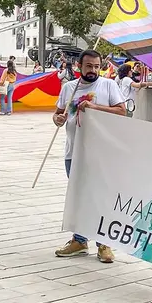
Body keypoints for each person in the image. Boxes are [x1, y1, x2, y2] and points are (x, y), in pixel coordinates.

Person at [53, 49, 126, 262]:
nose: (93, 70)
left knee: (100, 196)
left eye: (96, 66)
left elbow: (122, 111)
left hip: (102, 153)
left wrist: (94, 106)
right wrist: (57, 119)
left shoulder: (108, 85)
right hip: (73, 151)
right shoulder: (68, 88)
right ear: (79, 66)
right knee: (80, 197)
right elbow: (58, 114)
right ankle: (80, 240)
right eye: (89, 66)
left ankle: (104, 243)